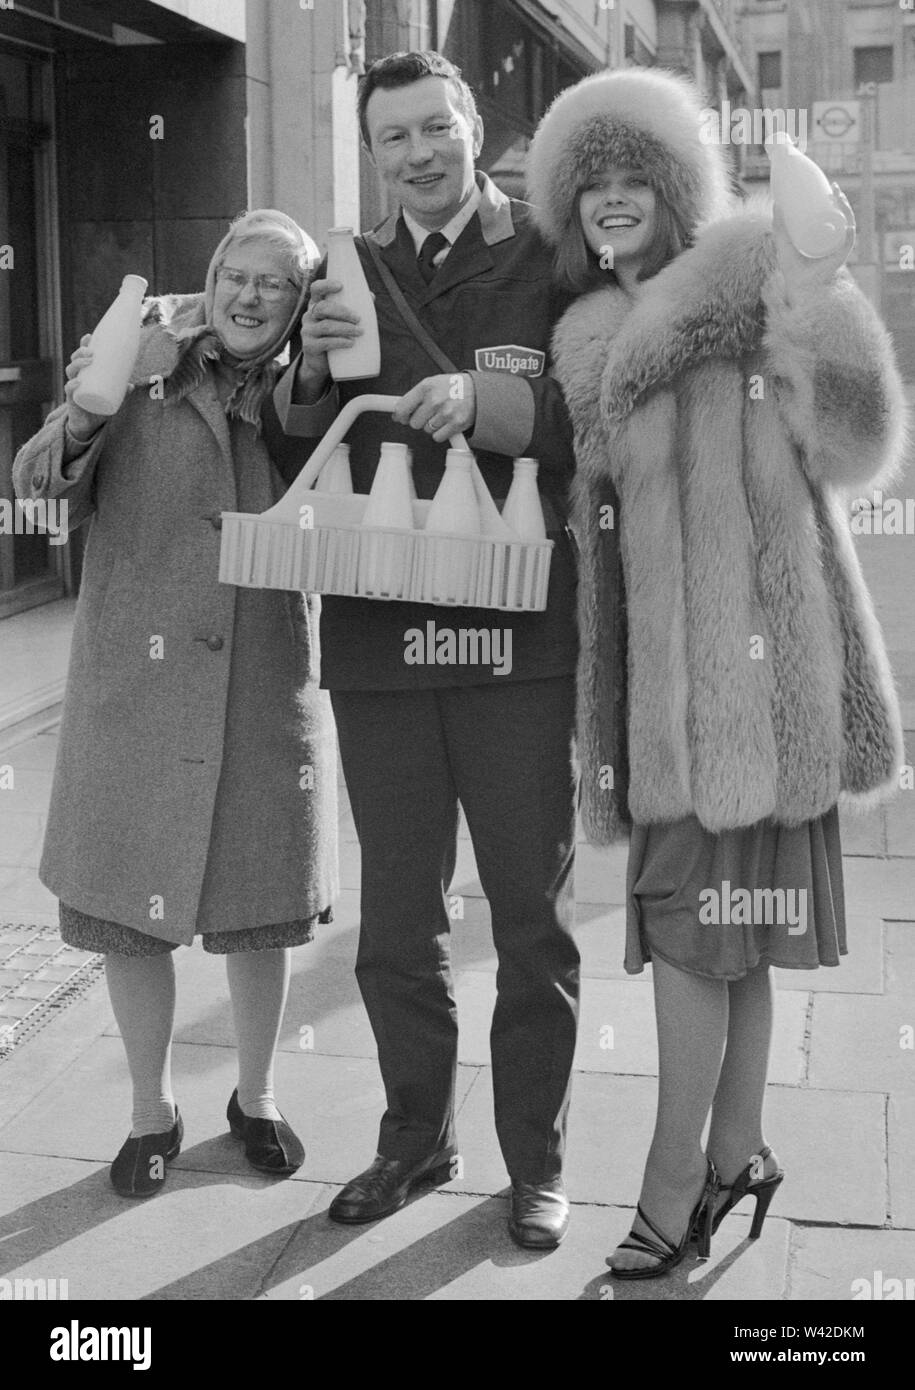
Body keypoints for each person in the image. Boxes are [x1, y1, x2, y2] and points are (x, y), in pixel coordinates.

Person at [527, 68, 907, 1276]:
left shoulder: (756, 278)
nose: (611, 201)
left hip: (765, 678)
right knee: (716, 940)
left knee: (704, 939)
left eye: (635, 175)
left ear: (677, 186)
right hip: (662, 698)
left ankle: (672, 1176)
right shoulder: (583, 336)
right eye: (591, 185)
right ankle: (735, 1151)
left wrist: (813, 281)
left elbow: (855, 441)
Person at [267, 52, 580, 1248]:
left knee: (529, 920)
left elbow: (589, 405)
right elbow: (295, 420)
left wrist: (487, 404)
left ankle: (536, 1164)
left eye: (435, 128)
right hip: (381, 633)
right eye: (393, 137)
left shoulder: (551, 254)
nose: (419, 154)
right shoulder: (341, 266)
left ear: (474, 124)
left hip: (515, 637)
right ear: (371, 150)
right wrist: (305, 365)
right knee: (398, 921)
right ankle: (413, 1139)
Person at [13, 210, 338, 1198]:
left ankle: (257, 1095)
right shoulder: (143, 363)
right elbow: (34, 498)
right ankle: (151, 1111)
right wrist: (80, 419)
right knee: (124, 916)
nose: (247, 295)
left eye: (273, 284)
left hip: (260, 685)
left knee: (260, 910)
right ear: (211, 278)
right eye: (234, 274)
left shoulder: (318, 394)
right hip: (135, 690)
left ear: (300, 303)